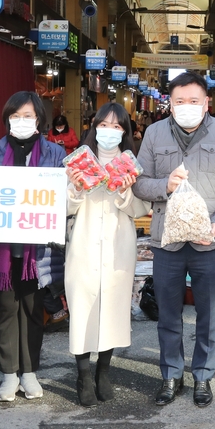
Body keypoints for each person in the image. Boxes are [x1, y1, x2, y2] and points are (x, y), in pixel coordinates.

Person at [133, 71, 215, 409]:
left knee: (209, 313)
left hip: (210, 242)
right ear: (170, 104)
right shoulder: (153, 133)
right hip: (167, 240)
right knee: (168, 312)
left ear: (207, 102)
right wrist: (166, 185)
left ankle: (203, 376)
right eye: (180, 102)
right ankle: (171, 374)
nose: (187, 107)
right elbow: (138, 182)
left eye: (194, 101)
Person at [0, 91, 67, 402]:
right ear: (6, 119)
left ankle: (29, 373)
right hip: (3, 249)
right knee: (5, 310)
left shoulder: (54, 155)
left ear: (39, 121)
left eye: (27, 116)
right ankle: (8, 375)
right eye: (15, 116)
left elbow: (62, 197)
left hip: (39, 251)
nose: (21, 122)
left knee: (33, 311)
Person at [66, 104, 150, 406]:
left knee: (112, 308)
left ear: (125, 131)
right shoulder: (77, 162)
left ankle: (104, 369)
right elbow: (62, 208)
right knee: (82, 306)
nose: (109, 131)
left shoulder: (132, 165)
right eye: (104, 124)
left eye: (117, 127)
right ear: (93, 126)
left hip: (118, 244)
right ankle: (83, 373)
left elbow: (141, 210)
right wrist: (75, 189)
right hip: (83, 243)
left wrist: (126, 192)